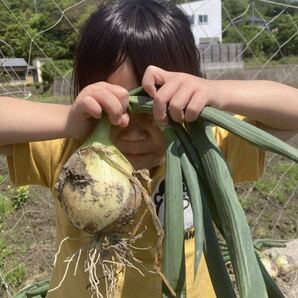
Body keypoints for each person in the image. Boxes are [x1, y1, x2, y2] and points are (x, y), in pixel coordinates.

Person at [0, 0, 297, 297]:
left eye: (152, 110)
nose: (132, 132)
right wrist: (67, 120)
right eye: (110, 112)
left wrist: (218, 94)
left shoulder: (206, 149)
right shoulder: (72, 153)